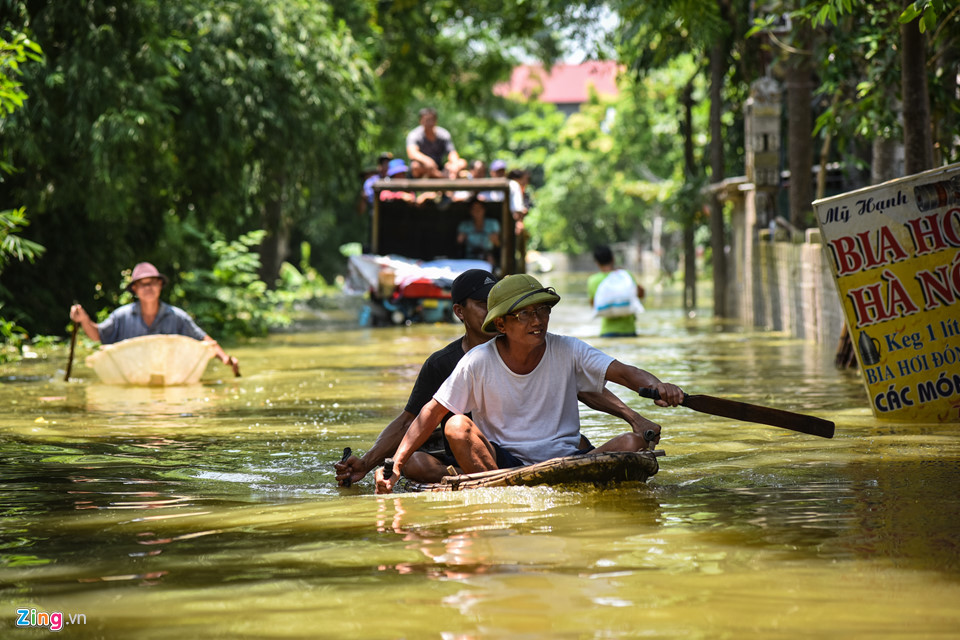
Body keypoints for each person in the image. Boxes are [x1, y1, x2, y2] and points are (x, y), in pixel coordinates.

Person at [337, 270, 662, 487]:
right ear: (498, 322)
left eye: (541, 311)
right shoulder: (458, 363)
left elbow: (592, 386)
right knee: (441, 439)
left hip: (557, 448)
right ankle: (497, 481)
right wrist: (376, 463)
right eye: (523, 314)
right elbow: (417, 417)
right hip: (491, 454)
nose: (536, 321)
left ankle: (517, 478)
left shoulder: (562, 348)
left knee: (632, 445)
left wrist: (637, 414)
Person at [69, 262, 240, 375]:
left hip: (170, 377)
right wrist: (84, 319)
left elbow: (205, 341)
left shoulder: (176, 317)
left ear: (160, 286)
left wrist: (225, 358)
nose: (148, 287)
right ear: (135, 288)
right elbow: (98, 334)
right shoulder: (121, 316)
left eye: (153, 282)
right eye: (143, 284)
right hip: (132, 377)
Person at [587, 244, 646, 338]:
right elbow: (641, 294)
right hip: (629, 331)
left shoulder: (593, 280)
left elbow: (594, 306)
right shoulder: (626, 275)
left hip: (607, 332)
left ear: (597, 262)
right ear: (613, 258)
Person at [405, 107, 466, 179]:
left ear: (436, 121)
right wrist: (427, 161)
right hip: (423, 168)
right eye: (427, 120)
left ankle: (444, 176)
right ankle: (443, 177)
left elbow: (452, 153)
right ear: (421, 121)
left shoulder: (443, 134)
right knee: (416, 166)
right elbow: (412, 153)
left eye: (432, 120)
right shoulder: (414, 134)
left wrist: (455, 165)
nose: (429, 123)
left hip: (438, 167)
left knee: (462, 162)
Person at [456, 196, 500, 266]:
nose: (477, 211)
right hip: (470, 257)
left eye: (479, 208)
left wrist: (494, 239)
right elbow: (459, 242)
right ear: (470, 211)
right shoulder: (464, 225)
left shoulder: (493, 223)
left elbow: (498, 244)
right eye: (474, 209)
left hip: (487, 256)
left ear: (484, 210)